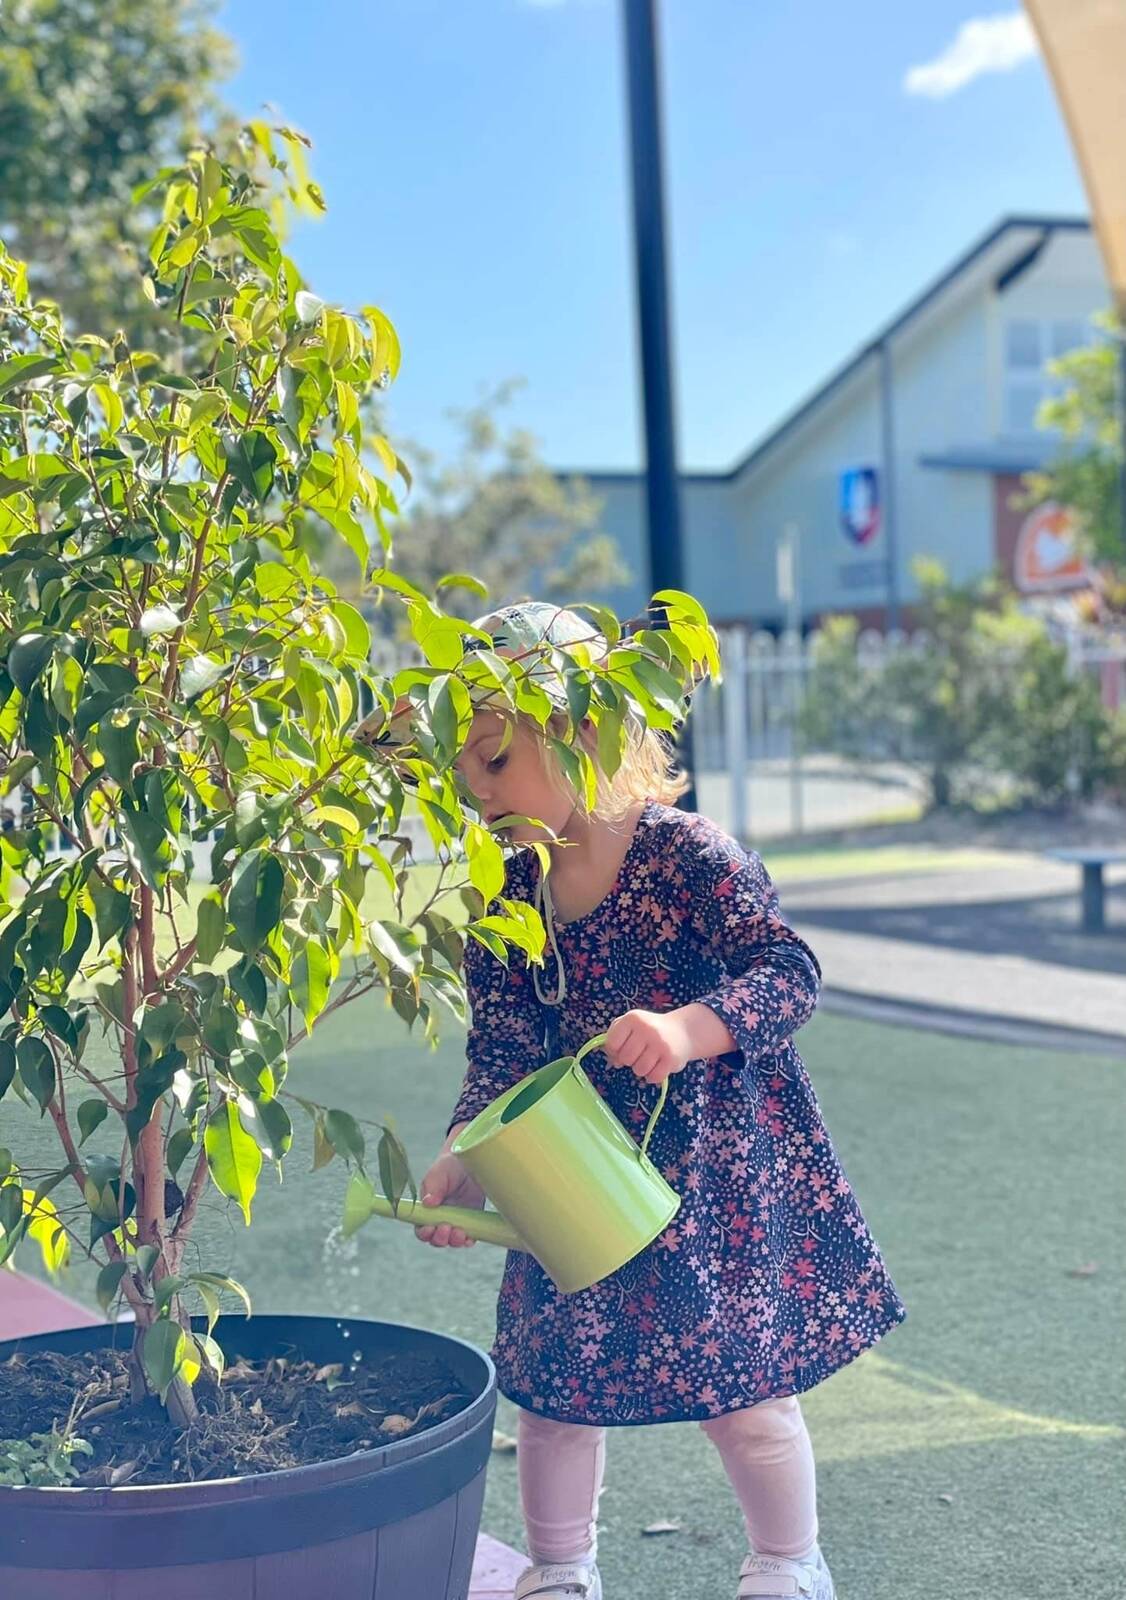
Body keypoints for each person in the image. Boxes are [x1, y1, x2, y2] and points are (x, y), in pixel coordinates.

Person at [413, 604, 906, 1600]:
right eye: (461, 767)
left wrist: (688, 1026)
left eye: (496, 758)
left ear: (585, 735)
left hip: (714, 1169)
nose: (475, 787)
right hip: (575, 1169)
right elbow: (501, 1042)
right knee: (553, 1387)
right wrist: (465, 1149)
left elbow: (788, 971)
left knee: (743, 1387)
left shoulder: (688, 856)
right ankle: (560, 1567)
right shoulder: (506, 894)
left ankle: (787, 1561)